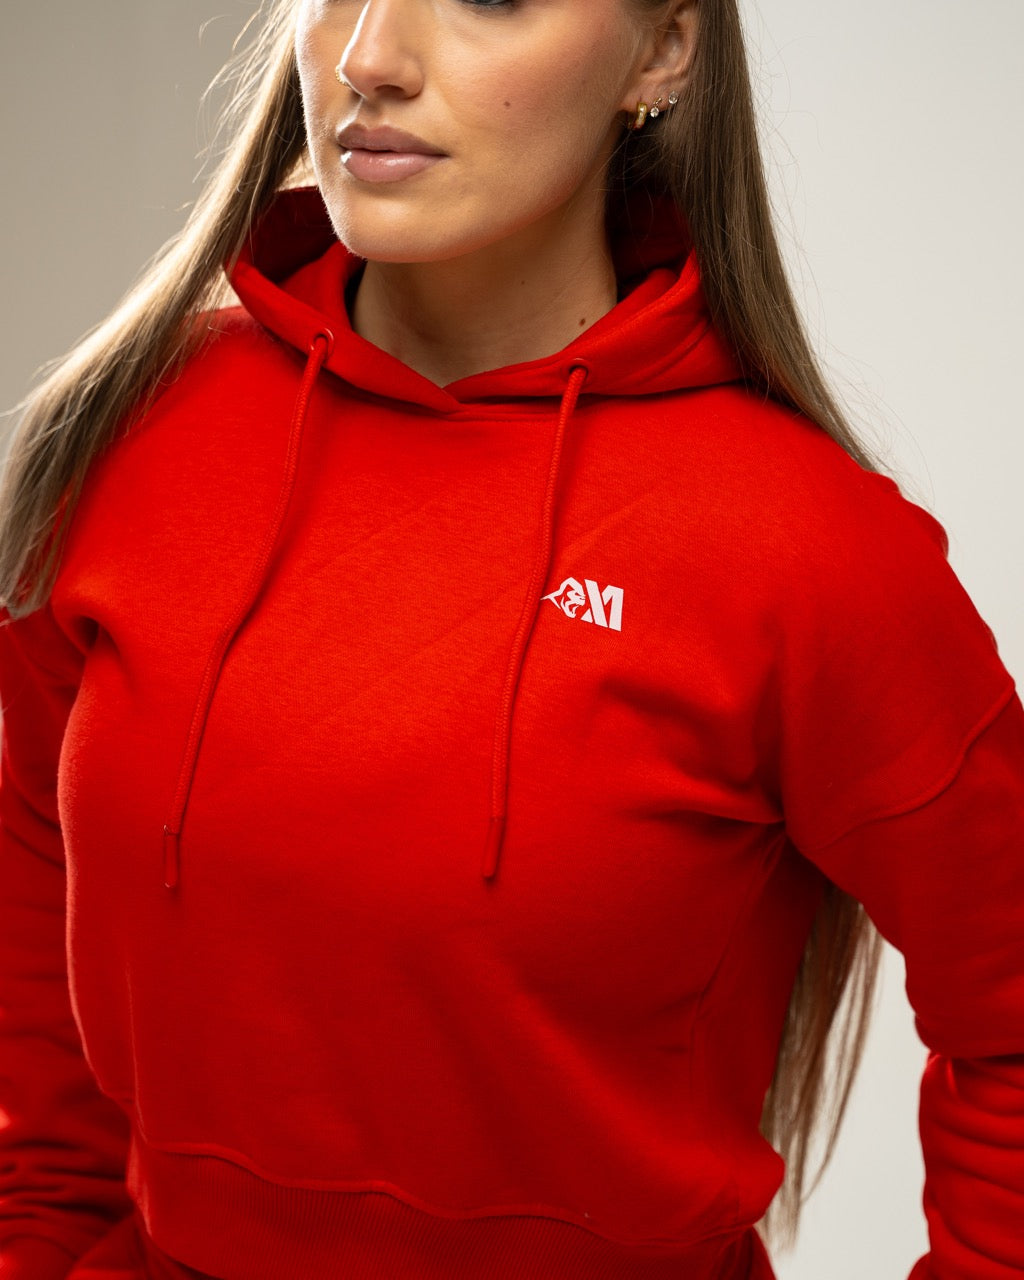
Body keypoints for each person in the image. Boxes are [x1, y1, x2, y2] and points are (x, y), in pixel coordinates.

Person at [0, 0, 1021, 1277]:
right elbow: (35, 909)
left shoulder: (800, 545)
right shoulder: (132, 431)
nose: (369, 57)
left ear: (661, 49)